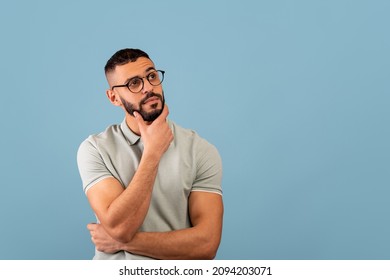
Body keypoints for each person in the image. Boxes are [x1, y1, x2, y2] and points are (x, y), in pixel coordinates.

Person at [77, 48, 223, 260]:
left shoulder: (200, 150)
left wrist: (122, 243)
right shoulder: (95, 149)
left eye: (152, 76)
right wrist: (153, 152)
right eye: (134, 83)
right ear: (114, 97)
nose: (148, 88)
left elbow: (206, 245)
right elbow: (121, 228)